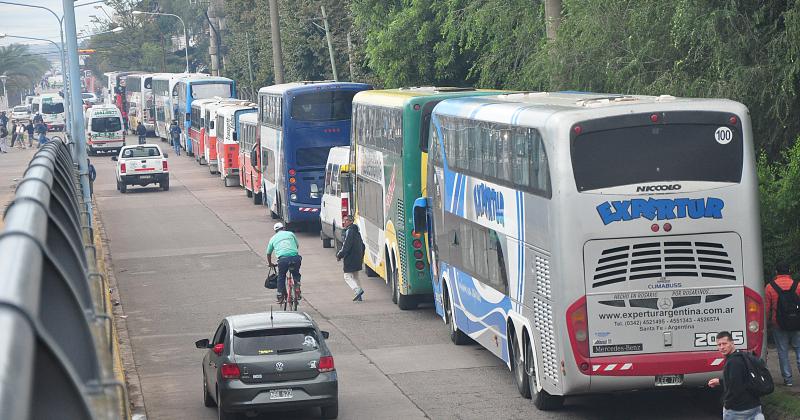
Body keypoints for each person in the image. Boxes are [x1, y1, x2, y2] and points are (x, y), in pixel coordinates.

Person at [708, 331, 765, 420]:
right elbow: (741, 379)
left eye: (724, 343)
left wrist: (727, 404)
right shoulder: (743, 355)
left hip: (739, 410)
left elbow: (735, 387)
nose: (722, 347)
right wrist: (719, 381)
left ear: (732, 343)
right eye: (719, 345)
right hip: (755, 406)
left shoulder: (733, 362)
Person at [765, 261, 800, 386]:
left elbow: (767, 308)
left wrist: (766, 323)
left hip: (778, 324)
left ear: (776, 272)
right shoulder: (798, 285)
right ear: (789, 271)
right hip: (797, 324)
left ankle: (788, 380)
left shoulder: (770, 287)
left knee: (783, 352)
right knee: (799, 350)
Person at [266, 223, 302, 303]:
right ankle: (297, 286)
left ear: (275, 231)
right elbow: (297, 246)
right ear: (283, 228)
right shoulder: (290, 234)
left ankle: (280, 295)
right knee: (296, 274)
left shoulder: (273, 238)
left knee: (281, 277)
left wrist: (270, 263)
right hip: (295, 258)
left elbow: (268, 253)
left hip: (283, 260)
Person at [337, 215, 366, 301]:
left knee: (347, 276)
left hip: (350, 257)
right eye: (344, 220)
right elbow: (363, 245)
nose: (344, 222)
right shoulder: (357, 231)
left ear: (350, 221)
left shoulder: (349, 231)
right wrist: (361, 255)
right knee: (355, 276)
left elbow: (346, 246)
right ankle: (359, 296)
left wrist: (339, 255)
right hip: (358, 257)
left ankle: (357, 290)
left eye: (346, 220)